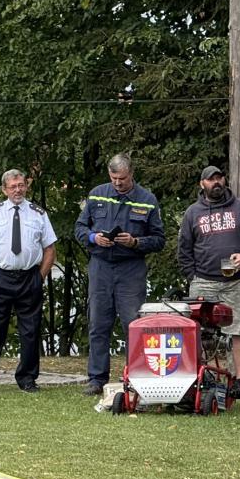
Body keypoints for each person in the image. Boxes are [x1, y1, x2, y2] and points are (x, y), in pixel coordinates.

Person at [73, 153, 165, 396]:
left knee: (133, 324)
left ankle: (136, 376)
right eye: (113, 178)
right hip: (100, 266)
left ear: (131, 174)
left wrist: (135, 242)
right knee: (98, 323)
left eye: (122, 179)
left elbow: (159, 240)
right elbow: (79, 228)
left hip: (131, 268)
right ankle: (96, 379)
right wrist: (94, 237)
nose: (117, 183)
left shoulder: (147, 200)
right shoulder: (97, 194)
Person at [178, 165, 240, 398]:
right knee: (197, 331)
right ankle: (200, 377)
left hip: (236, 282)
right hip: (203, 282)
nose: (216, 182)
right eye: (211, 179)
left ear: (224, 180)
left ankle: (239, 381)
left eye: (219, 178)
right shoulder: (193, 212)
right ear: (202, 184)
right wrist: (193, 277)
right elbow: (184, 249)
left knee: (239, 328)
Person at [0, 169, 57, 393]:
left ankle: (27, 379)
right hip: (0, 277)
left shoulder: (38, 214)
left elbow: (50, 249)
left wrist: (40, 277)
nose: (17, 190)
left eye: (21, 185)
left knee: (30, 330)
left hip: (29, 277)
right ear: (4, 190)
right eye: (13, 186)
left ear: (26, 186)